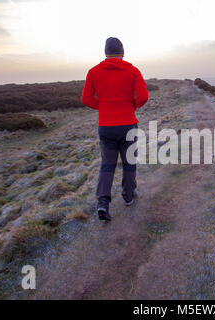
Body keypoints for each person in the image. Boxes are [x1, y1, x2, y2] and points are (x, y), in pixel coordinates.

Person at [82, 37, 149, 221]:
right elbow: (143, 96)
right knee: (129, 162)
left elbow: (86, 98)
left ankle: (103, 203)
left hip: (106, 126)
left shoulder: (93, 72)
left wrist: (103, 107)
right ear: (122, 52)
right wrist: (132, 106)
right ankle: (128, 196)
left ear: (105, 53)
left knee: (107, 165)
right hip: (128, 124)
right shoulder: (133, 71)